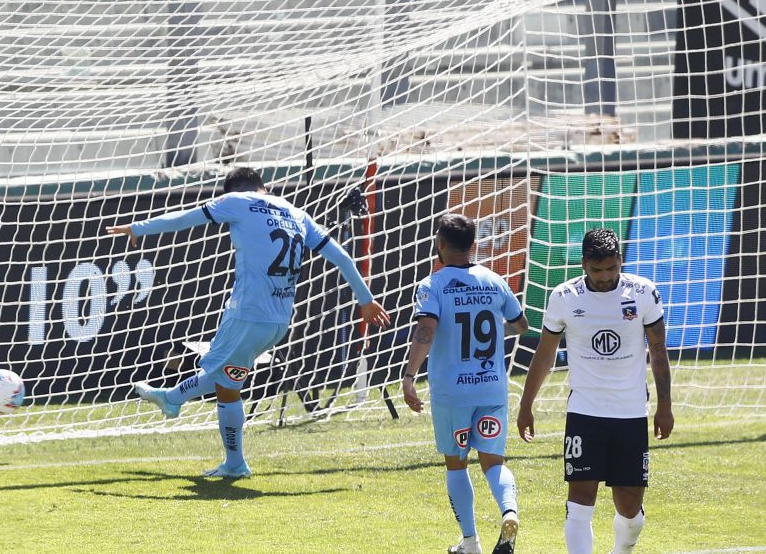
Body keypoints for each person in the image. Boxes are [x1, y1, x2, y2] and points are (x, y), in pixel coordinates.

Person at [106, 167, 389, 478]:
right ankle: (177, 404)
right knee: (227, 378)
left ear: (231, 191)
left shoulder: (236, 202)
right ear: (263, 187)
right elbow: (342, 258)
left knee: (223, 379)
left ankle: (188, 415)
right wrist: (365, 300)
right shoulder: (296, 212)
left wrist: (138, 228)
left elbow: (184, 218)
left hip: (247, 313)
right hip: (279, 320)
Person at [516, 229, 672, 554]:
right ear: (584, 264)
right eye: (597, 270)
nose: (604, 277)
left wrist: (664, 406)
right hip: (584, 413)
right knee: (579, 503)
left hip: (630, 414)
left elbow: (658, 350)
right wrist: (526, 404)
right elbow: (545, 354)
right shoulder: (564, 297)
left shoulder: (644, 293)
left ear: (620, 262)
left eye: (611, 268)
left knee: (629, 510)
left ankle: (622, 548)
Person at [402, 213, 529, 554]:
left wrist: (410, 375)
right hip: (491, 387)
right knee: (494, 461)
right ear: (473, 246)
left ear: (439, 245)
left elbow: (425, 330)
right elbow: (521, 324)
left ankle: (470, 542)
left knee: (456, 462)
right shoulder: (494, 280)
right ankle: (509, 511)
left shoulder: (433, 284)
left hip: (452, 391)